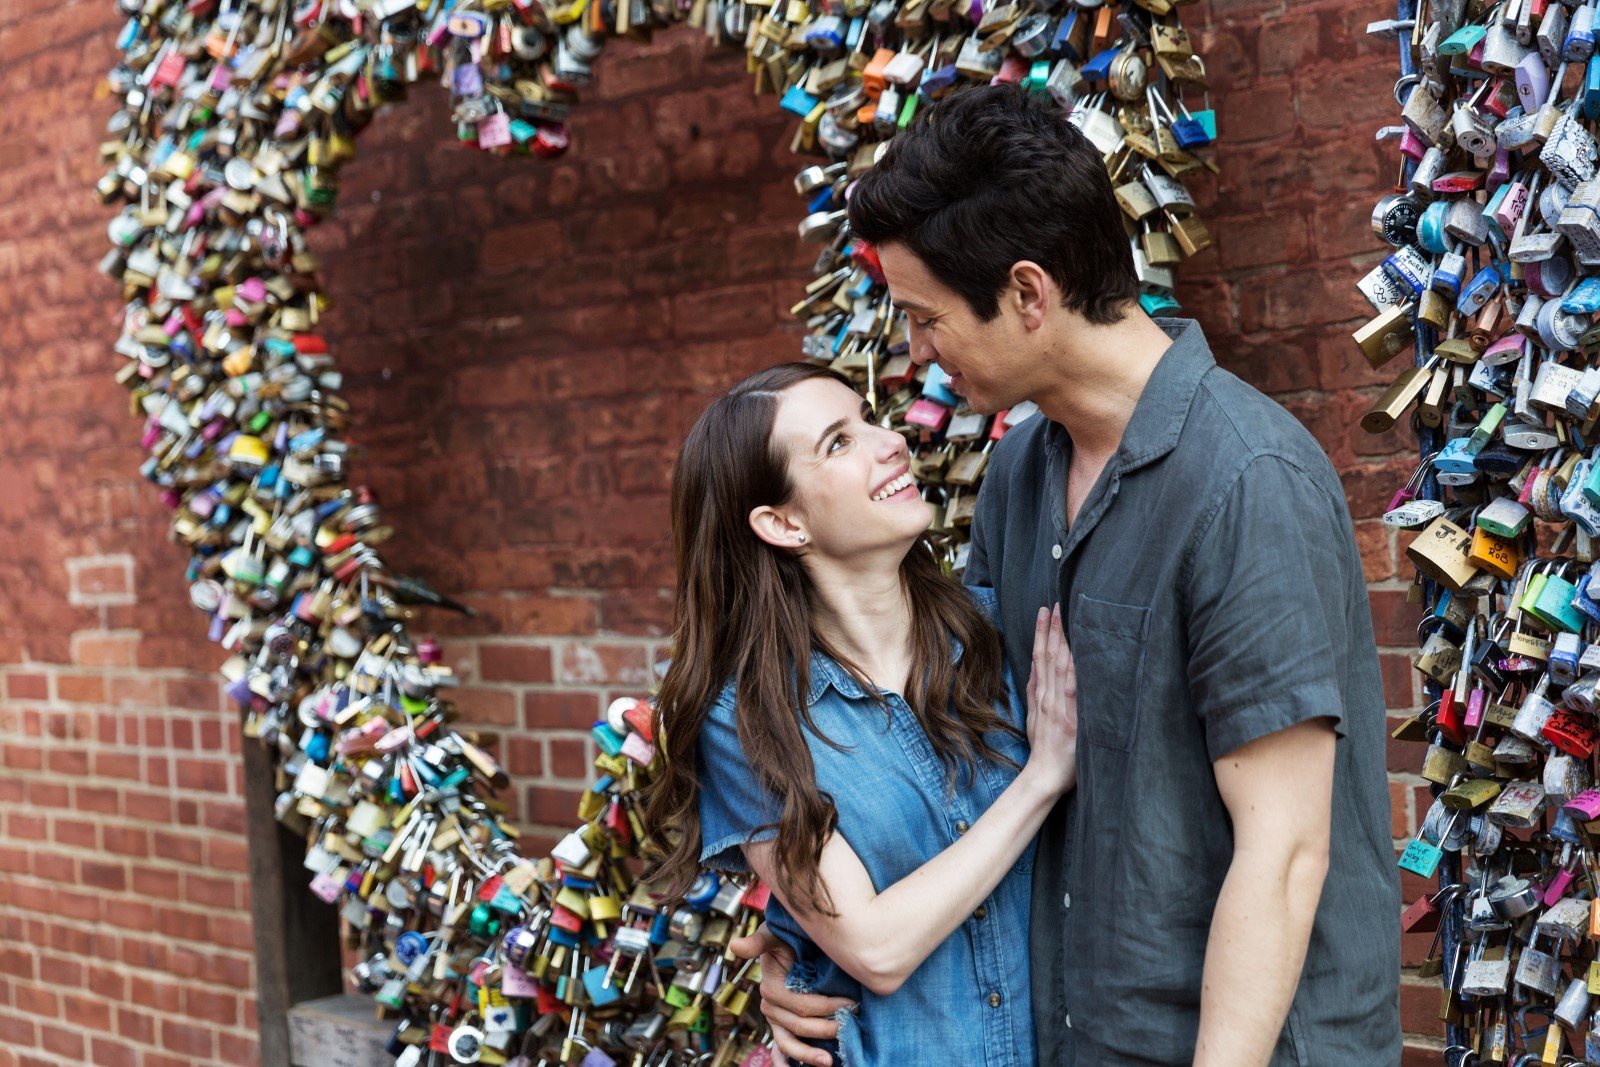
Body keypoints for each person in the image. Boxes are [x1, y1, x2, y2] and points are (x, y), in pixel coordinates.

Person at [734, 84, 1402, 1066]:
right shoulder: (1019, 471)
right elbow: (959, 757)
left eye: (924, 318)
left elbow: (1286, 851)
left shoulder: (1243, 479)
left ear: (1028, 294)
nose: (916, 352)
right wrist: (802, 946)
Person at [644, 361, 1080, 1067]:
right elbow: (875, 947)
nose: (893, 441)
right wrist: (1041, 779)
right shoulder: (750, 720)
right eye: (839, 443)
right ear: (782, 522)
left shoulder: (1004, 640)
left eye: (871, 418)